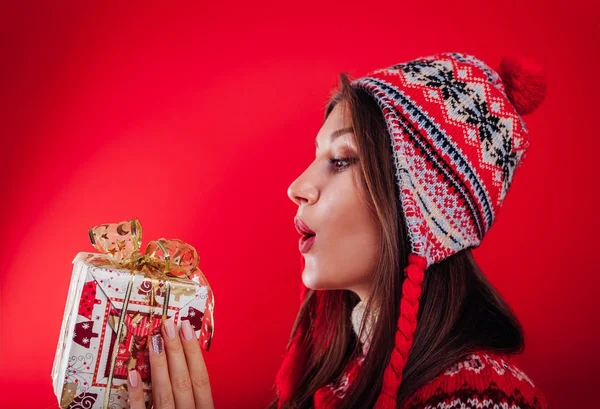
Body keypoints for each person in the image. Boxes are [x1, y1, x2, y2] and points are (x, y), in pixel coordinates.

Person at [126, 52, 549, 409]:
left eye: (342, 159)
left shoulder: (478, 397)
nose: (297, 188)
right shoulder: (346, 372)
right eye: (317, 156)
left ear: (424, 206)